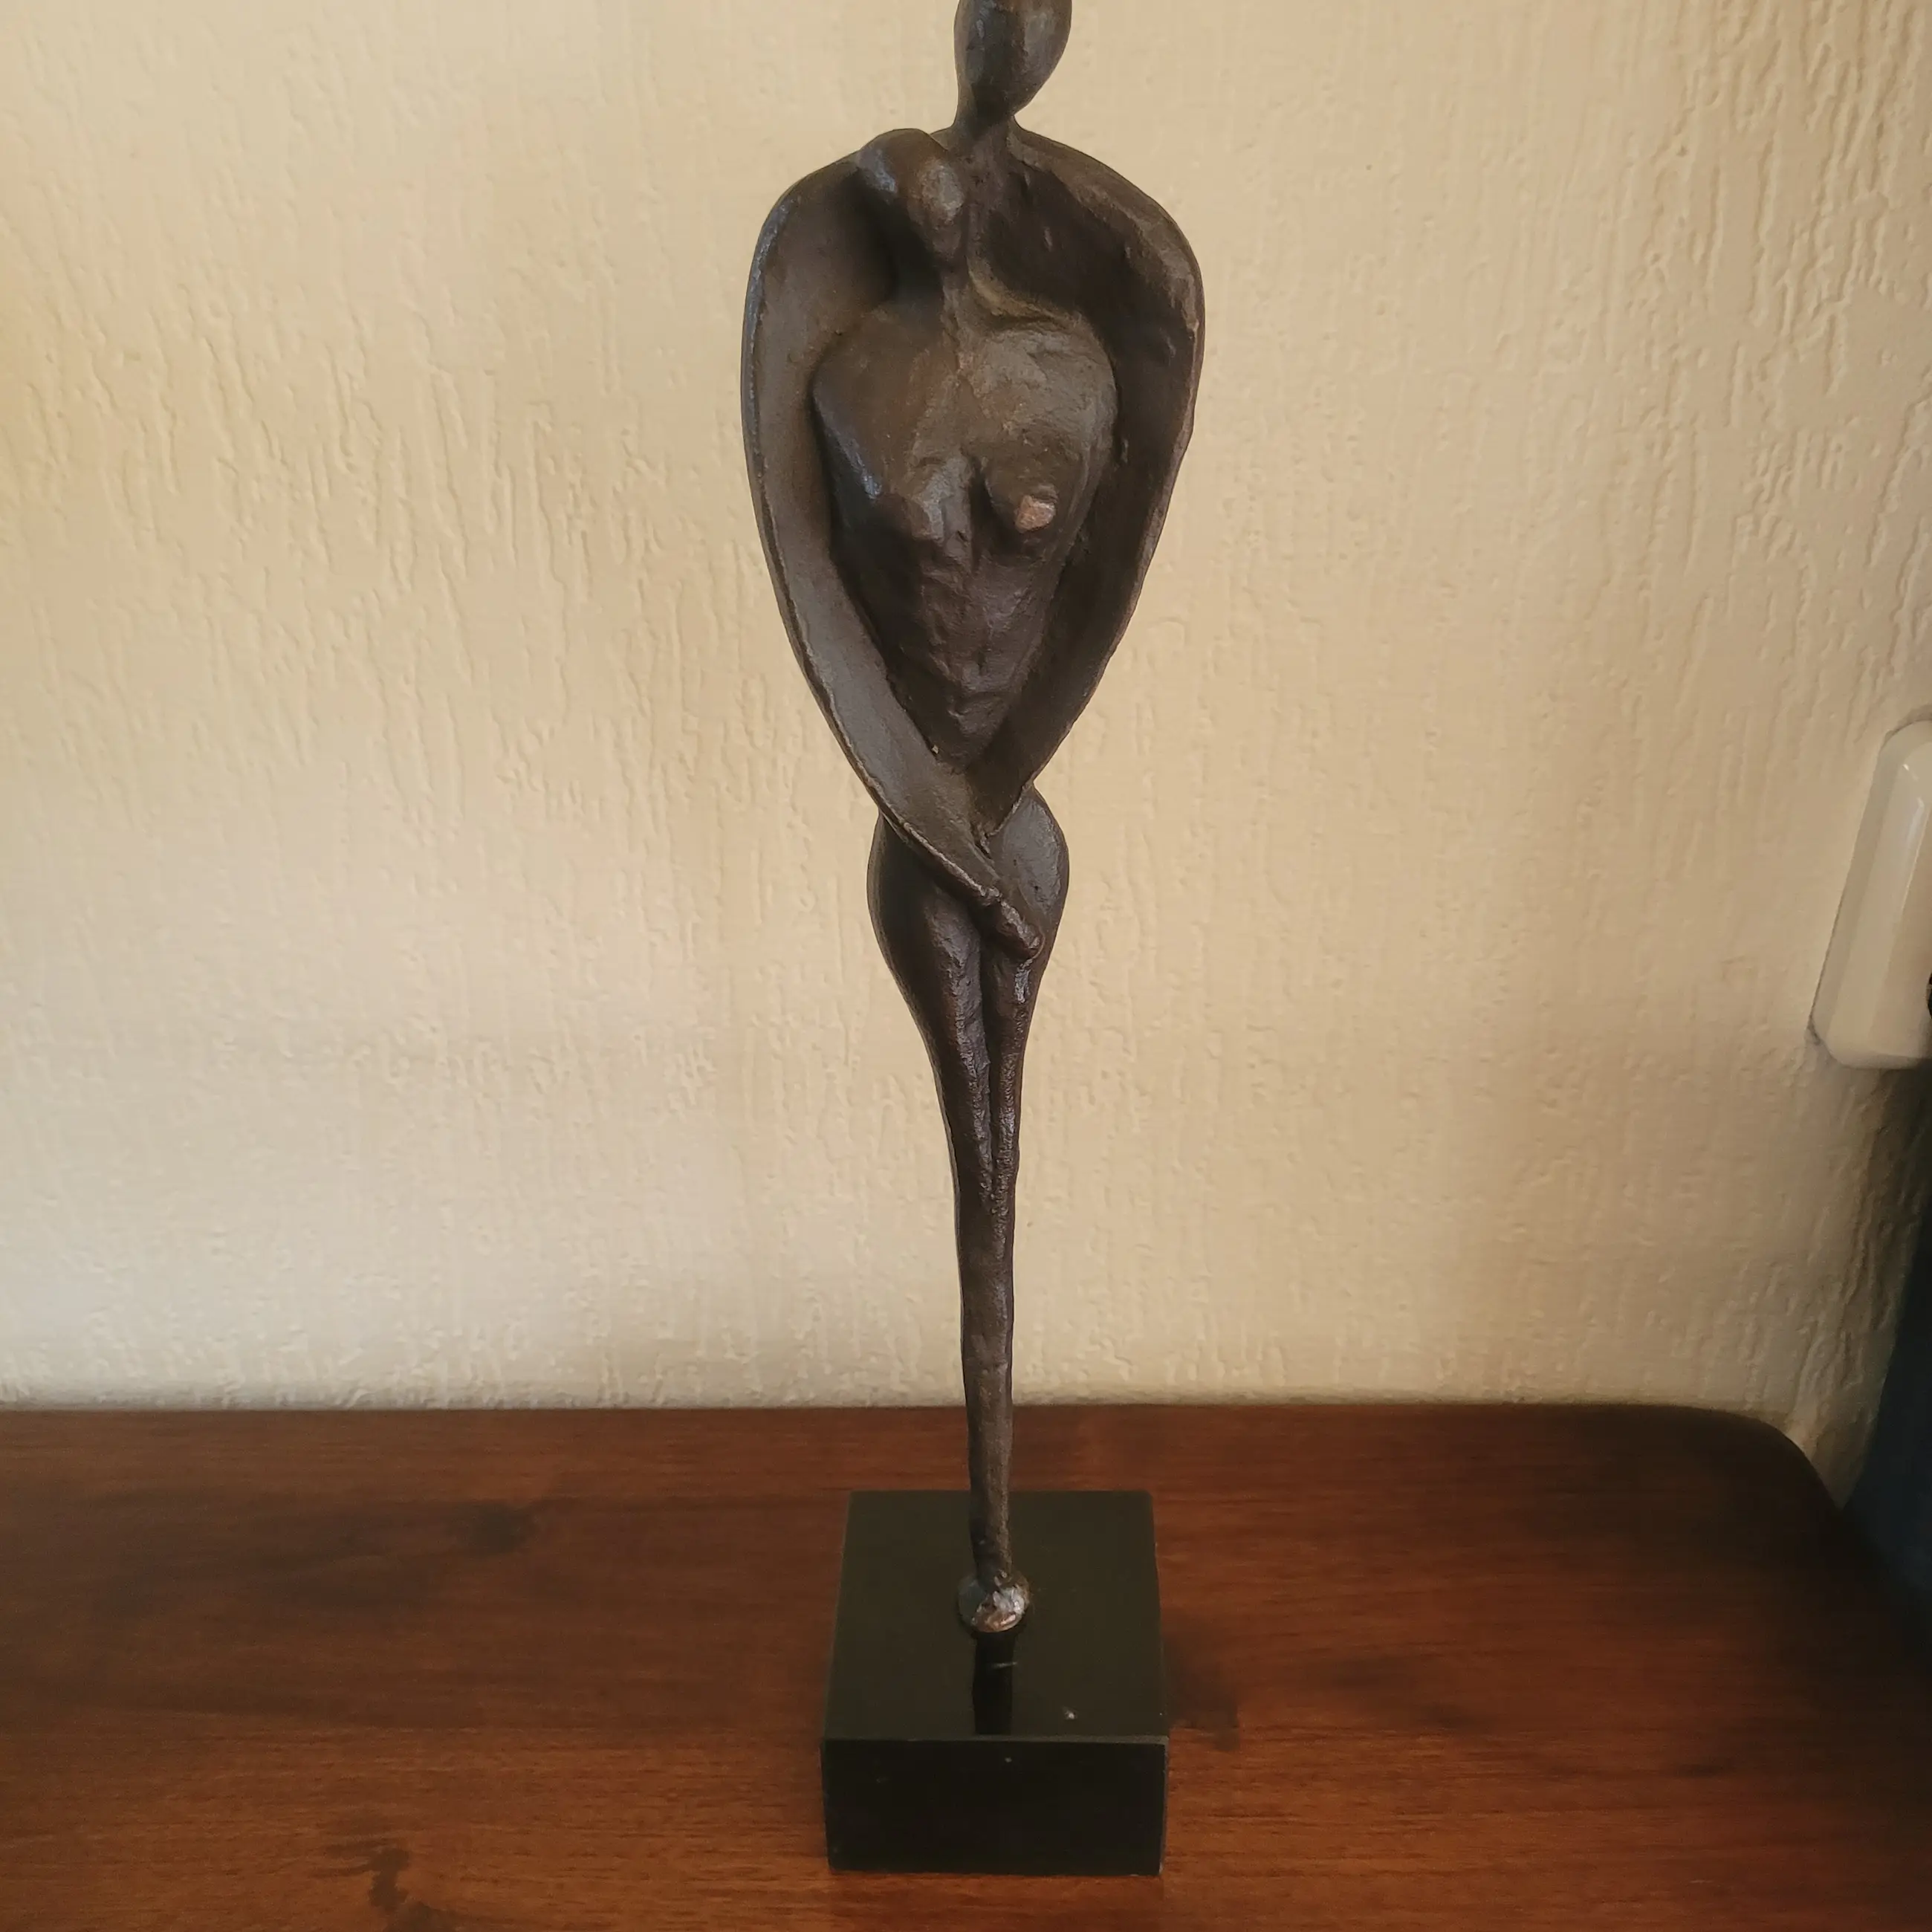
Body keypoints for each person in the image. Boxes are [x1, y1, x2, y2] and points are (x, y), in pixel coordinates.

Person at [745, 0, 1204, 1635]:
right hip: (926, 821)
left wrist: (998, 824)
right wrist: (940, 824)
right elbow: (822, 610)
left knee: (997, 1168)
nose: (932, 188)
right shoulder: (844, 374)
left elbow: (1095, 584)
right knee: (979, 1163)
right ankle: (987, 1549)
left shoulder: (1075, 360)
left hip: (1017, 818)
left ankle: (1001, 1550)